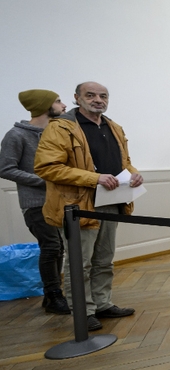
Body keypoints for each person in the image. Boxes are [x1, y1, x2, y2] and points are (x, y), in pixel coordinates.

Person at [34, 82, 141, 332]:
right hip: (77, 207)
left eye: (103, 96)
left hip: (112, 202)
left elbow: (124, 161)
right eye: (90, 95)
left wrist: (134, 174)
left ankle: (103, 304)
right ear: (76, 98)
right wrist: (95, 178)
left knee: (104, 259)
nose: (97, 100)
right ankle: (84, 311)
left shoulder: (113, 127)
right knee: (79, 263)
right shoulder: (60, 127)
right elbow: (47, 167)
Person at [0, 89, 69, 315]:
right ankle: (53, 295)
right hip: (35, 203)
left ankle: (52, 296)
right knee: (51, 247)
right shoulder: (16, 135)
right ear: (44, 105)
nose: (63, 105)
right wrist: (44, 181)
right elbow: (6, 169)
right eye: (58, 101)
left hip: (58, 201)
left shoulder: (54, 132)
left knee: (57, 249)